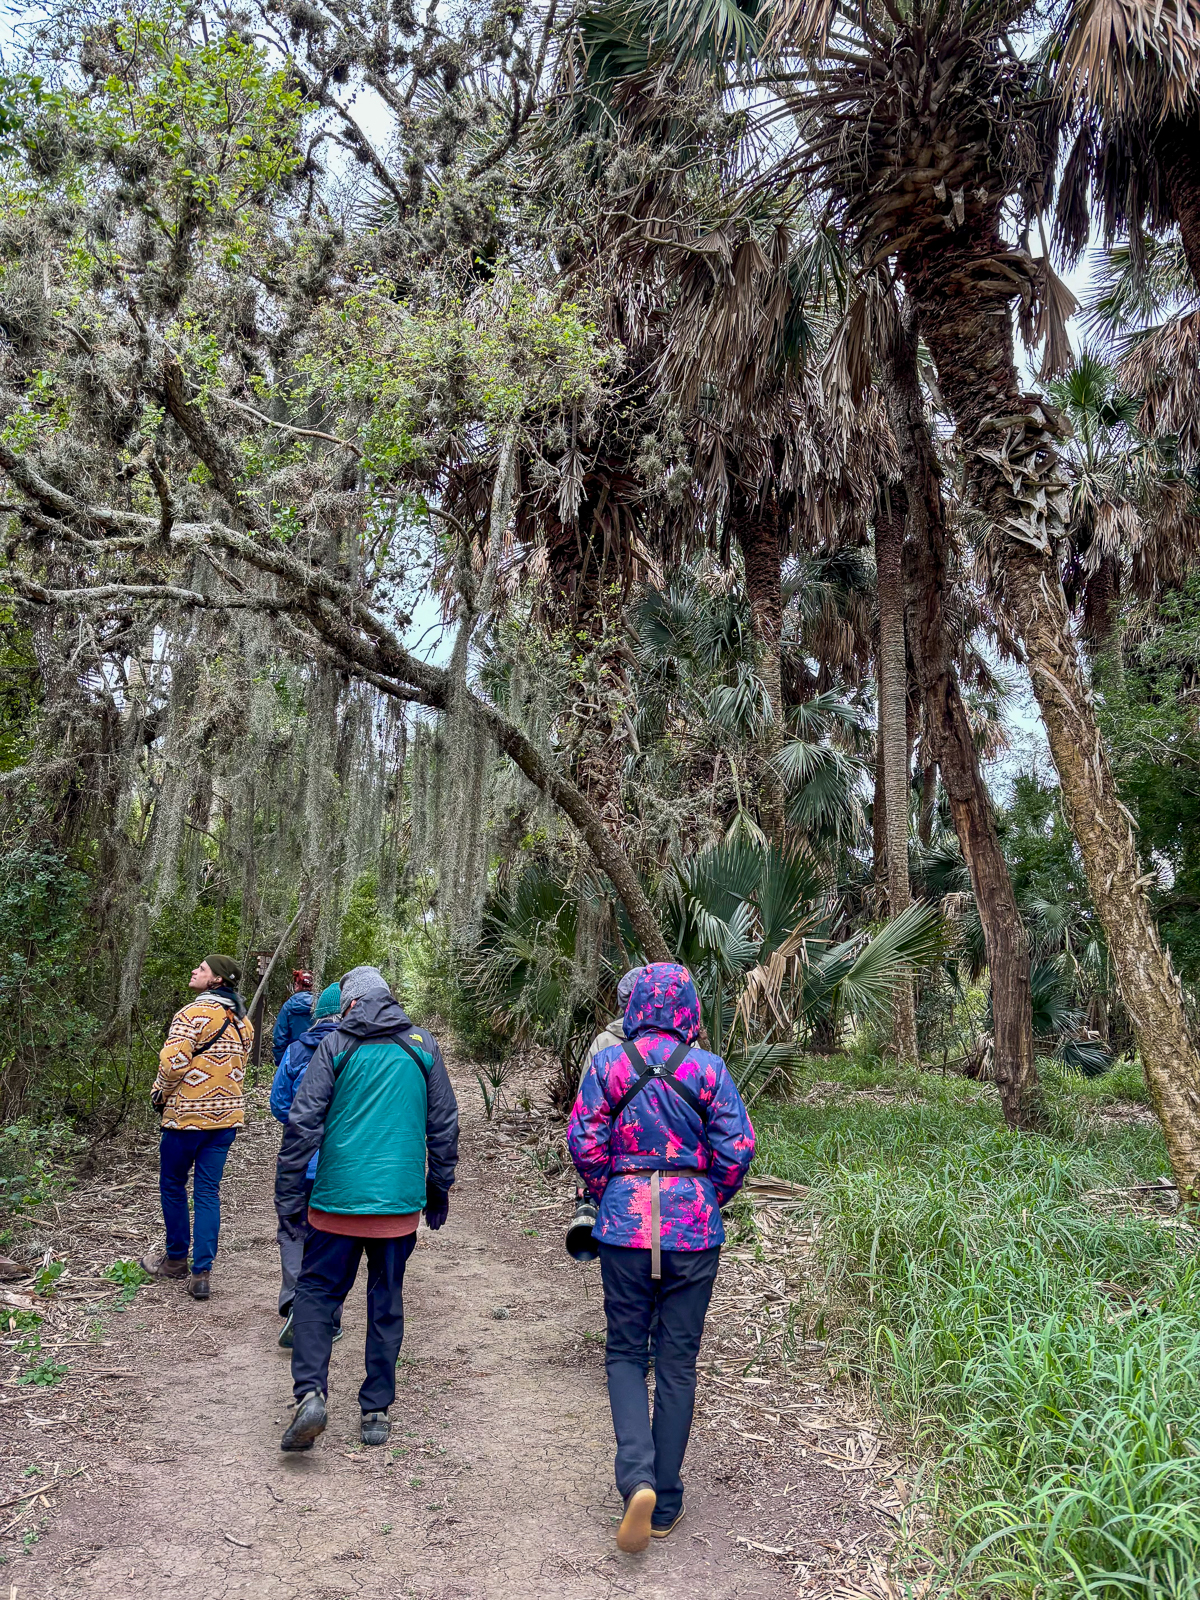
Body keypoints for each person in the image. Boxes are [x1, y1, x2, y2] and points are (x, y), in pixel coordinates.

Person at [567, 962, 755, 1554]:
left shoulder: (609, 1063)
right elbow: (738, 1147)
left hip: (624, 1228)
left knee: (625, 1353)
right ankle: (666, 1500)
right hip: (694, 1233)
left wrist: (610, 1193)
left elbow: (584, 1140)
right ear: (689, 1011)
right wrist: (703, 1196)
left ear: (636, 1006)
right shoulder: (710, 1069)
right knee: (677, 1361)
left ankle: (637, 1480)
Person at [274, 965, 459, 1452]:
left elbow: (302, 1122)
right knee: (386, 1299)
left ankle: (311, 1393)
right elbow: (444, 1124)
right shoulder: (422, 1046)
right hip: (397, 1206)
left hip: (335, 1201)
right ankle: (375, 1409)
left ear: (351, 1003)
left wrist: (290, 1196)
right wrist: (438, 1189)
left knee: (316, 1294)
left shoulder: (336, 1046)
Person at [140, 954, 254, 1302]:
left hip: (185, 1118)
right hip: (225, 1120)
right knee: (207, 1192)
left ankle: (176, 1259)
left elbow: (172, 1062)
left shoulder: (191, 1014)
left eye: (202, 969)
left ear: (217, 980)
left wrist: (159, 1091)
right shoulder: (243, 1022)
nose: (195, 971)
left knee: (173, 1184)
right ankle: (201, 1273)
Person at [270, 980, 344, 1349]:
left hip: (299, 1158)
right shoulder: (355, 1051)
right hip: (341, 1160)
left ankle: (294, 1300)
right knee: (332, 1235)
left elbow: (279, 1104)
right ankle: (329, 1316)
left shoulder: (299, 1049)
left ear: (316, 1016)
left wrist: (303, 1122)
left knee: (293, 1229)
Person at [272, 970, 314, 1067]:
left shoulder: (288, 1006)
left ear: (296, 985)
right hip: (316, 1059)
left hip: (292, 1059)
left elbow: (279, 1036)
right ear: (311, 986)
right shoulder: (320, 1005)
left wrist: (280, 1062)